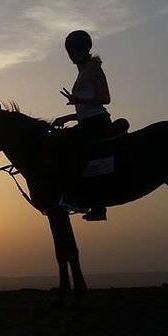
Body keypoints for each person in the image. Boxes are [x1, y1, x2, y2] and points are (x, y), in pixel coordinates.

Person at [52, 30, 110, 221]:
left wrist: (79, 99)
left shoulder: (93, 69)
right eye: (70, 52)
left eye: (75, 51)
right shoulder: (83, 71)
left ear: (84, 50)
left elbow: (105, 99)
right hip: (87, 121)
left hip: (97, 122)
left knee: (68, 149)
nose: (72, 55)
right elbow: (85, 109)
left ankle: (79, 199)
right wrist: (67, 118)